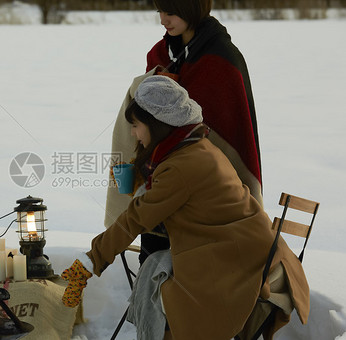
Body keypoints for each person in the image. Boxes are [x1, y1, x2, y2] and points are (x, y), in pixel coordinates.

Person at [62, 76, 309, 340]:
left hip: (240, 264)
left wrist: (89, 263)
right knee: (158, 270)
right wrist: (138, 177)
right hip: (252, 250)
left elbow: (134, 219)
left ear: (156, 125)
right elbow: (182, 199)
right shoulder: (196, 146)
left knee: (170, 295)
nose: (133, 133)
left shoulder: (180, 166)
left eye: (135, 125)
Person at [104, 0, 262, 264]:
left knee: (182, 265)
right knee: (151, 258)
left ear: (192, 9)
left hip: (201, 192)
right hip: (158, 176)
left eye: (171, 12)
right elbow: (146, 113)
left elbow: (229, 128)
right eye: (160, 12)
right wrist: (153, 80)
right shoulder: (161, 53)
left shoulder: (222, 58)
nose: (163, 20)